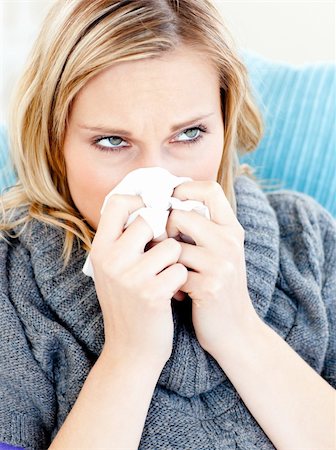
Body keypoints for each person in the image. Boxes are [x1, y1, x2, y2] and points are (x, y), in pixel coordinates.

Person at [0, 0, 335, 449]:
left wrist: (238, 329)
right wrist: (130, 356)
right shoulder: (11, 282)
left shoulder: (308, 237)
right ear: (53, 141)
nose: (155, 179)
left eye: (190, 134)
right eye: (112, 141)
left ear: (225, 120)